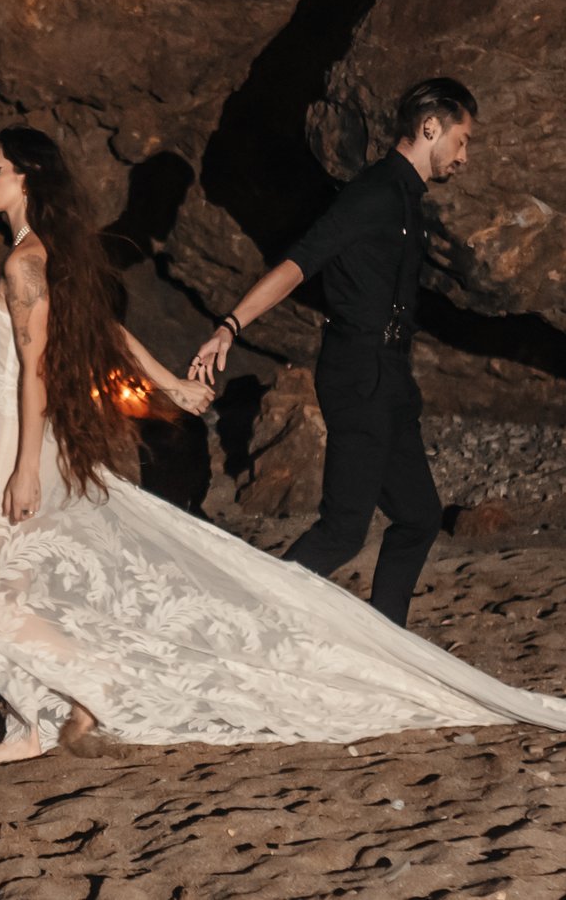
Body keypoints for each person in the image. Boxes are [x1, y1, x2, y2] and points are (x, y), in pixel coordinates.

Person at [0, 122, 566, 769]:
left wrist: (18, 465)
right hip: (29, 443)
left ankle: (49, 710)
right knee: (19, 576)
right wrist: (175, 386)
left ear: (27, 181)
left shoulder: (28, 265)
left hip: (16, 442)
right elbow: (109, 333)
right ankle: (58, 704)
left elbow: (45, 366)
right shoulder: (44, 260)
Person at [188, 77, 472, 628]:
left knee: (418, 515)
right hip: (356, 371)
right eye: (461, 140)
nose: (464, 155)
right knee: (344, 529)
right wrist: (230, 324)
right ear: (429, 127)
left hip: (390, 375)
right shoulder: (371, 194)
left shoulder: (409, 199)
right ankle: (250, 624)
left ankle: (387, 641)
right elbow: (299, 263)